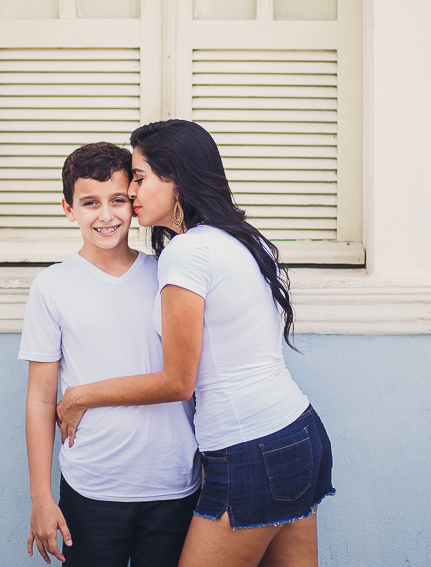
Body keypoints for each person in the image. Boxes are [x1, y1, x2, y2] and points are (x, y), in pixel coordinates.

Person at [57, 121, 335, 567]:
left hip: (250, 449)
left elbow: (178, 382)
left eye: (141, 178)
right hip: (298, 431)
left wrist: (80, 396)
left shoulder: (188, 253)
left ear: (176, 178)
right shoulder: (241, 238)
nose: (132, 193)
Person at [18, 141, 201, 567]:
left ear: (133, 204)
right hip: (91, 487)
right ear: (68, 209)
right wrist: (41, 497)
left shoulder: (167, 272)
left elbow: (193, 376)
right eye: (90, 203)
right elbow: (41, 398)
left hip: (172, 484)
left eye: (118, 200)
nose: (106, 215)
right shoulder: (52, 286)